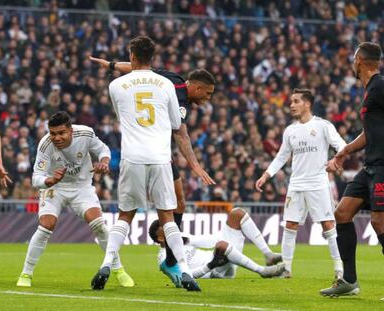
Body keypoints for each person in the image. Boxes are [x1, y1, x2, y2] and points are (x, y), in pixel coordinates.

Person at [89, 55, 216, 286]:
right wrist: (195, 165)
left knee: (176, 204)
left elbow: (138, 69)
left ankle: (168, 260)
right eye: (207, 94)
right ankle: (174, 262)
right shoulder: (178, 98)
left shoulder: (171, 77)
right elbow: (181, 134)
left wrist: (111, 65)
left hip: (142, 154)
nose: (207, 100)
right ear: (196, 87)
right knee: (169, 211)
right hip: (159, 155)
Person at [16, 111, 134, 288]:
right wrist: (50, 180)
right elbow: (36, 177)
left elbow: (103, 150)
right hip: (55, 188)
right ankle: (26, 273)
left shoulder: (85, 134)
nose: (56, 138)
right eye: (53, 133)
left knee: (99, 226)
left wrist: (104, 162)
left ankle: (118, 270)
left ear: (71, 130)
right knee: (45, 226)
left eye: (61, 133)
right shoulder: (45, 144)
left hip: (82, 187)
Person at [255, 88, 346, 279]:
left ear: (307, 104)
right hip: (296, 184)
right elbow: (281, 156)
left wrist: (336, 160)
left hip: (318, 183)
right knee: (290, 225)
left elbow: (342, 146)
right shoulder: (290, 130)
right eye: (291, 101)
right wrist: (266, 175)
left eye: (296, 101)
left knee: (328, 224)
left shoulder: (323, 126)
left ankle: (339, 269)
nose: (291, 105)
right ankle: (285, 269)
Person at [321, 42, 384, 297]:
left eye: (353, 58)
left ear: (359, 60)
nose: (351, 62)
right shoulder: (370, 90)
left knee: (379, 221)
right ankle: (349, 281)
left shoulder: (380, 86)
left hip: (383, 166)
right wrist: (344, 151)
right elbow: (369, 134)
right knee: (342, 213)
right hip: (370, 166)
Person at [149, 208, 284, 279]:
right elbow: (185, 276)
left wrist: (191, 240)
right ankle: (262, 271)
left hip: (222, 257)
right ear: (160, 238)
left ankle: (268, 254)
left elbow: (212, 241)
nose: (171, 228)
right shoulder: (163, 259)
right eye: (165, 228)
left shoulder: (181, 238)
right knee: (222, 246)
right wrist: (210, 265)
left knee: (236, 214)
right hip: (214, 270)